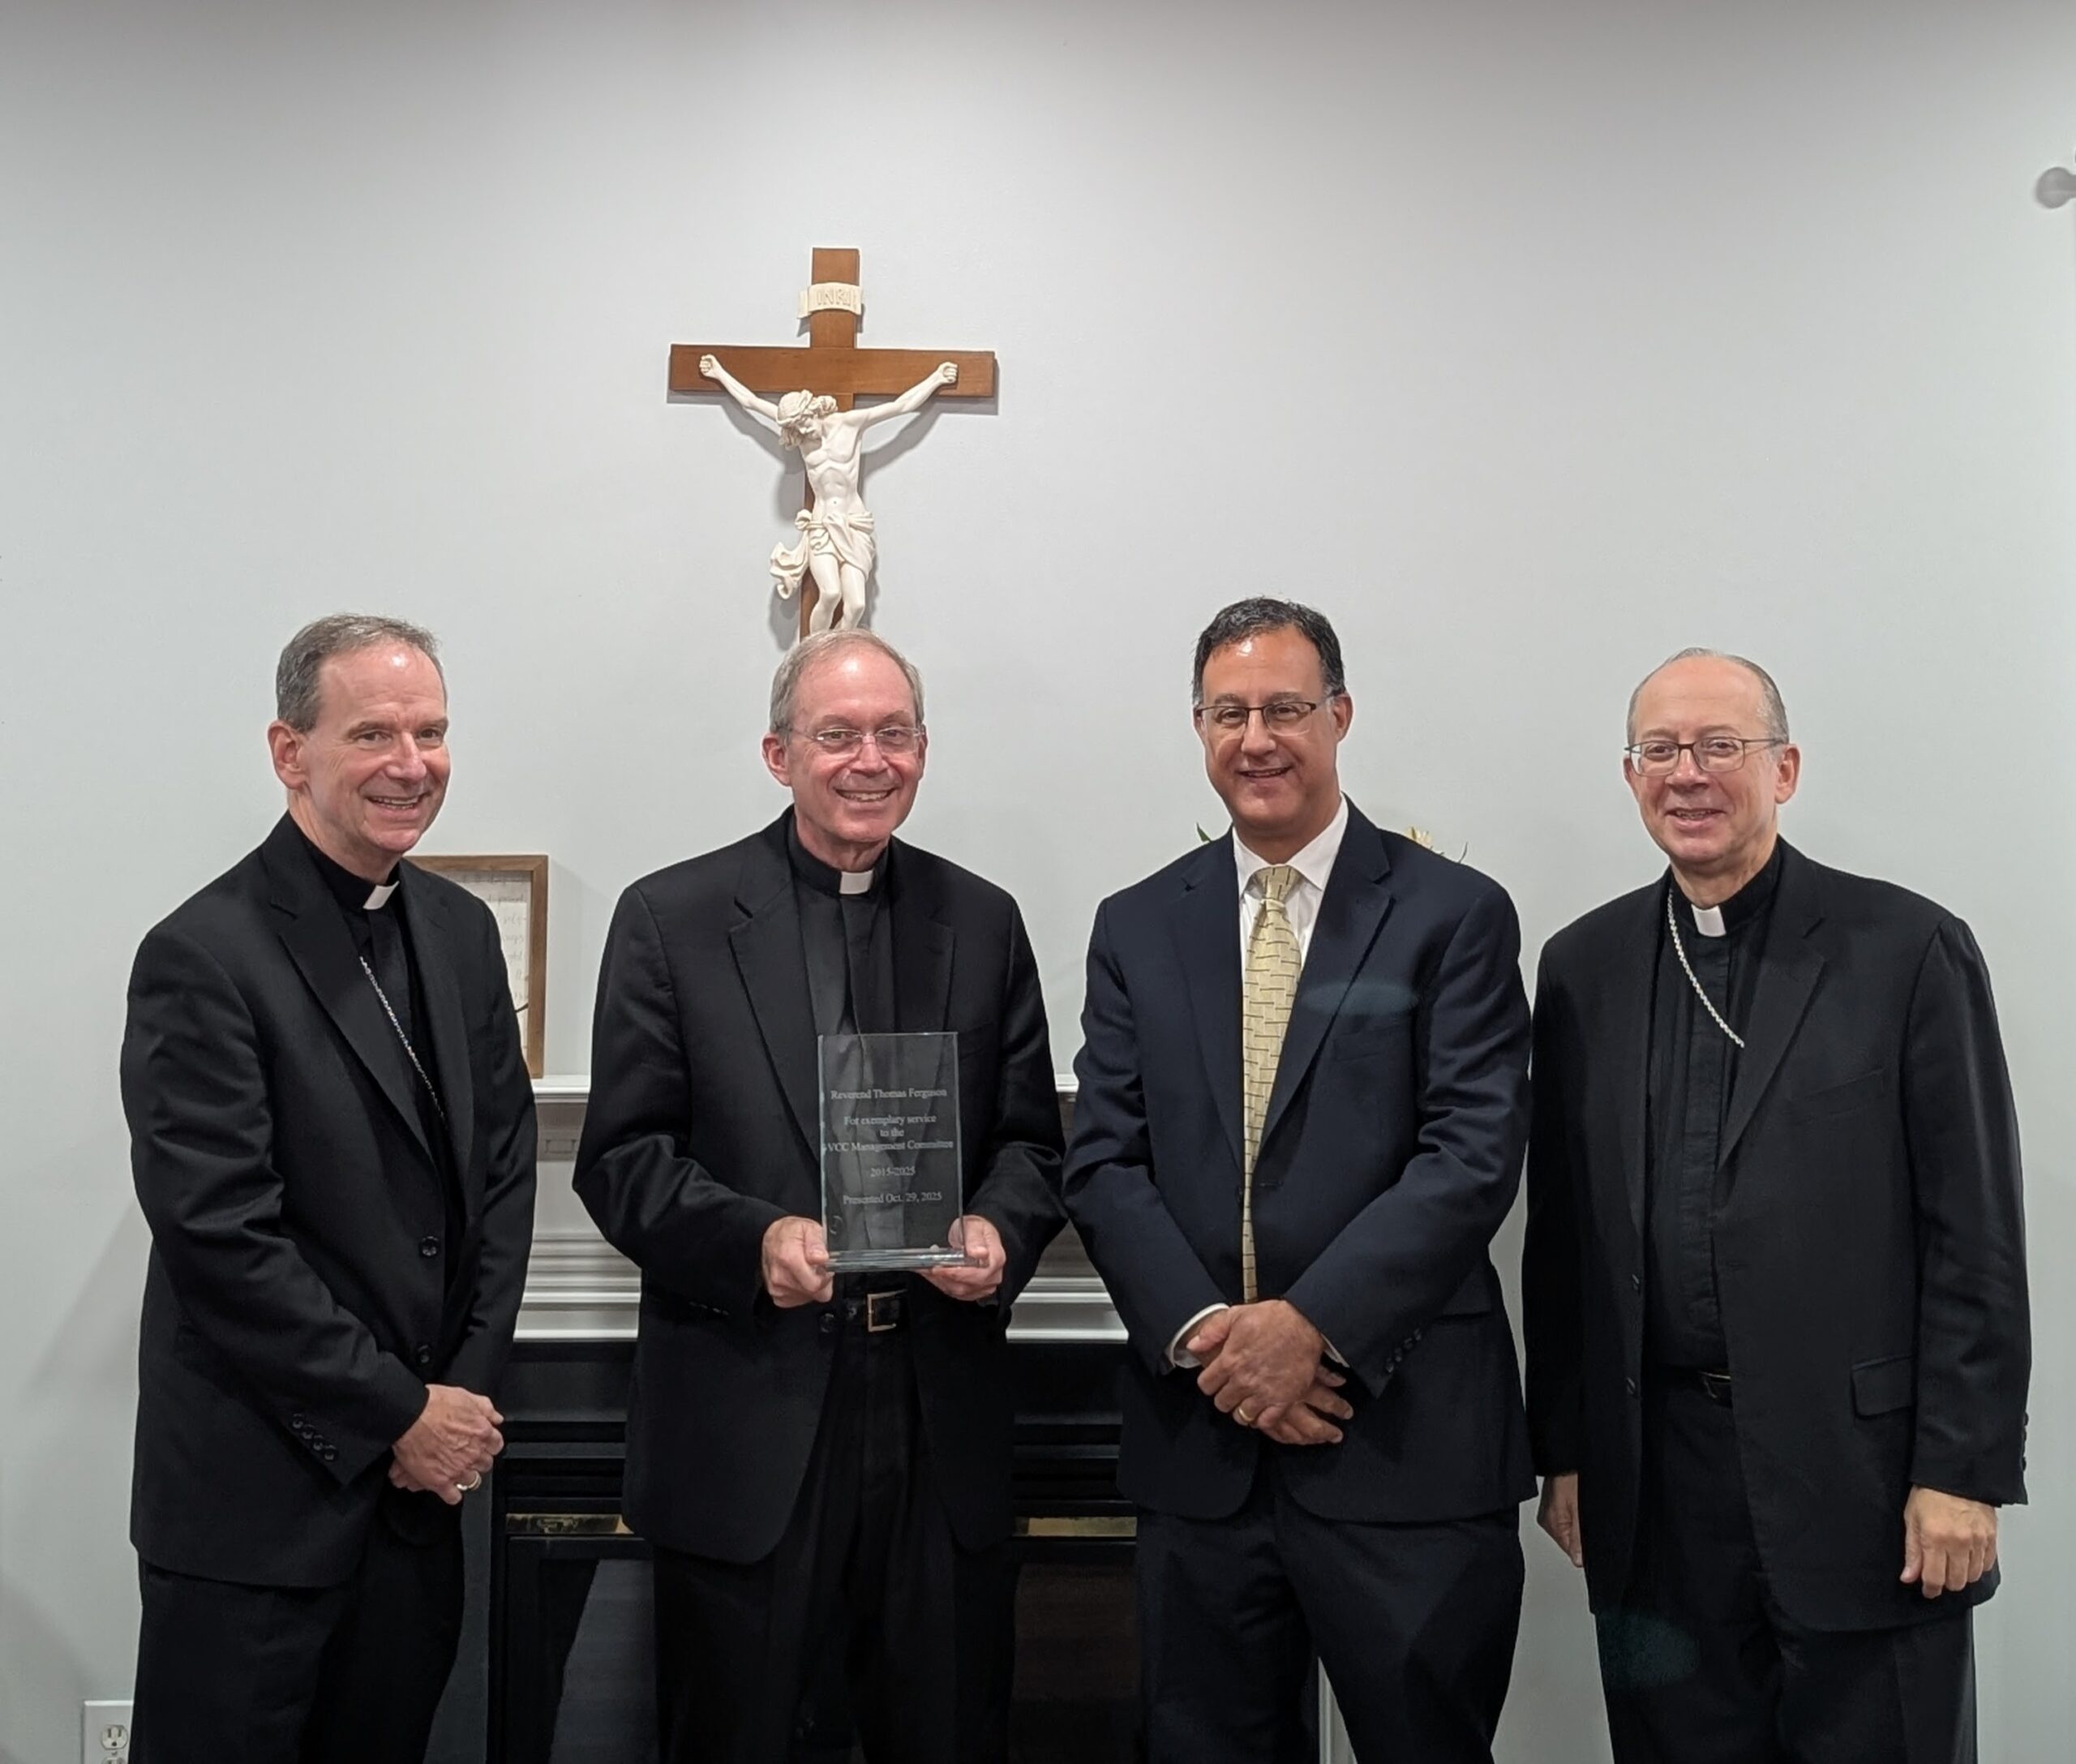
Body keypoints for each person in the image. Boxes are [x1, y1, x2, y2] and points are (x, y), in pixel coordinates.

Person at [1522, 649, 2029, 1763]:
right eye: (1661, 749)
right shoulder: (1582, 965)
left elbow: (1975, 1233)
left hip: (1864, 1480)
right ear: (1630, 775)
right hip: (1658, 1484)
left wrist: (1963, 1470)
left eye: (1721, 746)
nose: (1688, 774)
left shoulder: (1906, 949)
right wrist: (1566, 1451)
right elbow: (1562, 1241)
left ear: (1784, 769)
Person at [573, 628, 1063, 1764]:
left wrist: (1000, 1229)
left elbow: (1033, 1142)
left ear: (923, 749)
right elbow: (623, 1158)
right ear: (778, 753)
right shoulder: (671, 918)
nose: (869, 760)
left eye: (895, 733)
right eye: (837, 734)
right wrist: (756, 1242)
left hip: (936, 1415)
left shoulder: (982, 918)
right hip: (749, 1412)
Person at [1062, 598, 1536, 1763]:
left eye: (1285, 708)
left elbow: (1470, 1153)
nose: (1257, 738)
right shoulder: (1137, 923)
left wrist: (1308, 1328)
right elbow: (1104, 1157)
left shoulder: (1453, 914)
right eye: (1229, 712)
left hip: (1404, 1448)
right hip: (1201, 1449)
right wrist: (1213, 1339)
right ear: (1198, 726)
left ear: (1340, 714)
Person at [120, 614, 538, 1763]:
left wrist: (461, 1397)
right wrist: (400, 1413)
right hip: (257, 1507)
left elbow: (504, 1178)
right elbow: (221, 1238)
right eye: (373, 734)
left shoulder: (459, 929)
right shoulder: (203, 952)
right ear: (288, 751)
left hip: (413, 1502)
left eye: (431, 732)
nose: (412, 763)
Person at [698, 351, 959, 633]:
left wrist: (936, 379)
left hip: (853, 523)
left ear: (813, 411)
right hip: (821, 526)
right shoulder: (801, 438)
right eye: (797, 427)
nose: (804, 430)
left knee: (856, 605)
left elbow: (901, 406)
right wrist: (719, 373)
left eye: (805, 422)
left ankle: (835, 649)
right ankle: (814, 651)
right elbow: (752, 402)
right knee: (830, 593)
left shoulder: (850, 424)